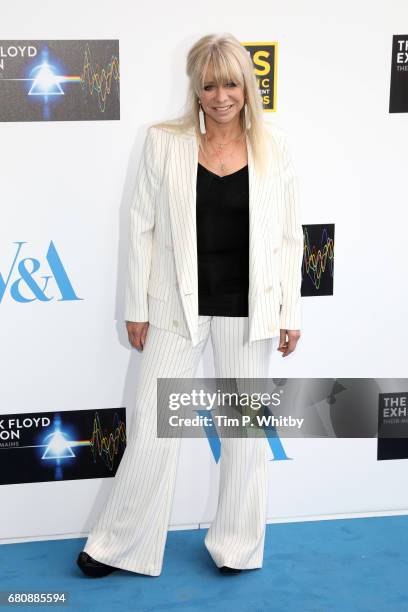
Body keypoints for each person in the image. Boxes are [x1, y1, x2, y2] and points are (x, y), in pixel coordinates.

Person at [77, 32, 303, 578]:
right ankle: (118, 545)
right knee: (154, 427)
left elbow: (290, 238)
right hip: (176, 307)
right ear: (195, 89)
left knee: (245, 437)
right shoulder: (164, 141)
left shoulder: (276, 148)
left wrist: (289, 313)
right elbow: (141, 228)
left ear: (248, 87)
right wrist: (137, 306)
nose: (220, 95)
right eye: (209, 84)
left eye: (231, 83)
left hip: (249, 310)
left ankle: (238, 547)